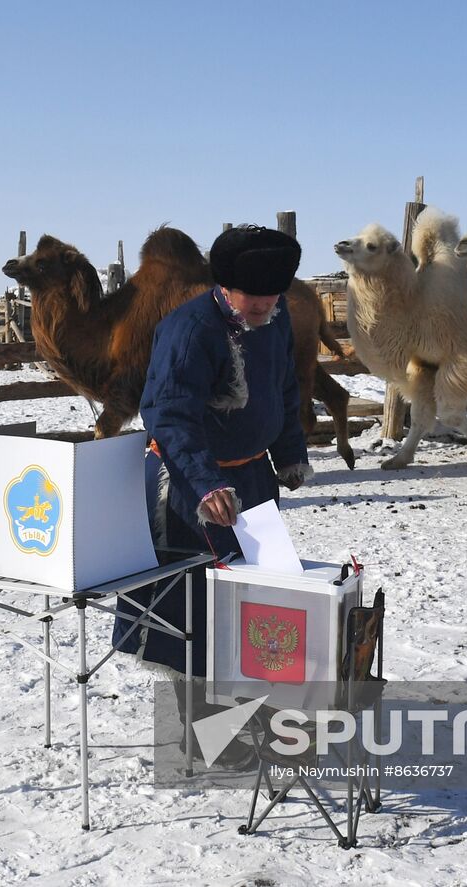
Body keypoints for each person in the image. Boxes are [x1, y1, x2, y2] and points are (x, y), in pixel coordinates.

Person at [112, 225, 312, 681]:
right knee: (185, 609)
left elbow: (283, 389)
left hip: (254, 481)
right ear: (224, 286)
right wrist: (207, 485)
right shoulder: (189, 330)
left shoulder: (275, 320)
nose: (264, 305)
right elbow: (169, 414)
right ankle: (193, 720)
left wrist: (290, 453)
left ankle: (244, 697)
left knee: (252, 595)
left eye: (273, 295)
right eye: (251, 296)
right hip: (188, 487)